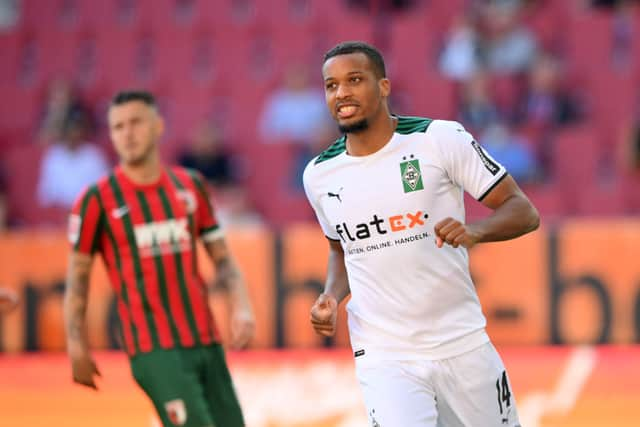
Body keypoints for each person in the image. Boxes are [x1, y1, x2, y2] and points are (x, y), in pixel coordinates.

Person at [304, 41, 539, 427]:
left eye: (355, 80)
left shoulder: (439, 140)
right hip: (384, 354)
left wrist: (474, 232)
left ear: (383, 86)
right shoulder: (318, 174)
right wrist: (331, 295)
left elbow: (523, 211)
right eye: (331, 85)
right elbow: (341, 251)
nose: (341, 92)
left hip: (461, 341)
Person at [63, 91, 254, 427]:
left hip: (206, 340)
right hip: (153, 348)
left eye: (135, 122)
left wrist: (241, 306)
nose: (128, 133)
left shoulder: (191, 186)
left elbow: (223, 259)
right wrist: (76, 344)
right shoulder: (96, 200)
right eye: (118, 126)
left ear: (158, 126)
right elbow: (77, 281)